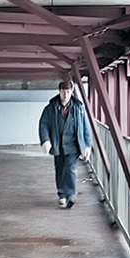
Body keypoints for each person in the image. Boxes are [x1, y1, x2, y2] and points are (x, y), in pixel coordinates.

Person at [38, 80, 92, 208]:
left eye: (68, 92)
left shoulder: (79, 108)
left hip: (74, 145)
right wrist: (46, 140)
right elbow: (43, 125)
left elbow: (85, 127)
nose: (65, 94)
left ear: (71, 92)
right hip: (58, 145)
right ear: (59, 92)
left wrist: (88, 145)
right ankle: (62, 195)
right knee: (60, 169)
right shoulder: (50, 108)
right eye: (63, 91)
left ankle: (71, 194)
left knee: (70, 168)